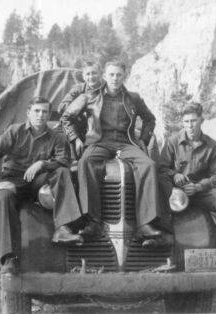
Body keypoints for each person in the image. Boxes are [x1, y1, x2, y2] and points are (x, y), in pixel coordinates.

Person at [61, 60, 171, 243]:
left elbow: (150, 119)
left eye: (119, 75)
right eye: (111, 74)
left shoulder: (133, 98)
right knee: (86, 162)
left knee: (148, 164)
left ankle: (145, 224)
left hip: (126, 141)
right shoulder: (89, 96)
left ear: (124, 76)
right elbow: (66, 117)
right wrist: (76, 138)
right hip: (99, 141)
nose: (115, 78)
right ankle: (93, 221)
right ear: (104, 76)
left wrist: (143, 140)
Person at [0, 97, 83, 275]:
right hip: (13, 181)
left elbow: (63, 161)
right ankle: (8, 260)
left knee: (62, 172)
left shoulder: (56, 137)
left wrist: (42, 164)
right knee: (4, 200)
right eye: (36, 111)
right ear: (28, 113)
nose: (40, 115)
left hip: (38, 183)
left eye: (44, 112)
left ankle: (63, 228)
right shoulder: (15, 131)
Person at [159, 103, 216, 274]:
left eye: (193, 121)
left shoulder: (212, 145)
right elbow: (161, 168)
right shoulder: (172, 142)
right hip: (177, 194)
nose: (190, 125)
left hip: (201, 192)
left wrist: (198, 186)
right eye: (186, 121)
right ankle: (161, 257)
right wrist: (175, 176)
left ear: (201, 120)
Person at [58, 59, 104, 158]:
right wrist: (81, 109)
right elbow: (61, 107)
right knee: (70, 123)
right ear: (83, 76)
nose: (91, 77)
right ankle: (75, 158)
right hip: (81, 123)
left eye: (94, 73)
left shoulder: (106, 88)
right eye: (88, 74)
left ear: (100, 74)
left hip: (99, 123)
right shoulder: (78, 89)